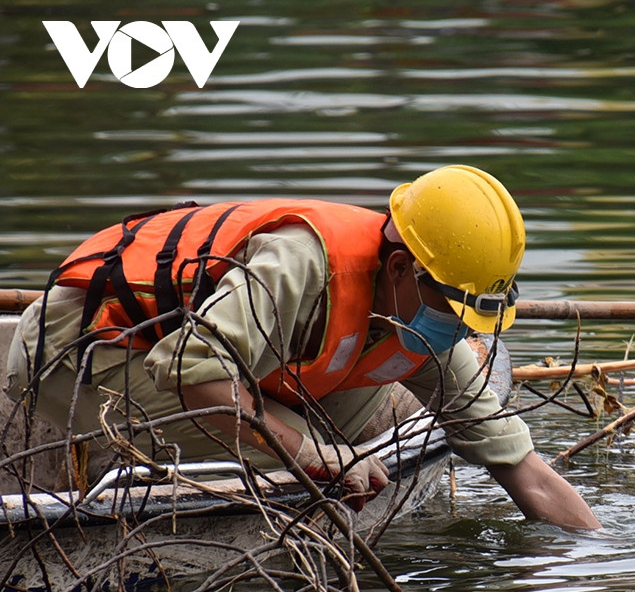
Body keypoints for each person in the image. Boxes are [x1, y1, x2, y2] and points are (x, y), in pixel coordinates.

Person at [4, 165, 600, 531]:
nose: (457, 327)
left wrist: (597, 566)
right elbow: (189, 371)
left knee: (346, 439)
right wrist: (319, 455)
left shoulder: (426, 321)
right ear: (400, 268)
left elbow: (522, 469)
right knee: (323, 454)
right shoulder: (300, 267)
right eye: (453, 309)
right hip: (81, 353)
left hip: (208, 365)